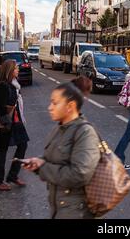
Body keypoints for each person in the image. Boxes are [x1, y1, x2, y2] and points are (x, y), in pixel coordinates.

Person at [23, 77, 100, 219]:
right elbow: (57, 158)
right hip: (59, 208)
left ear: (70, 106)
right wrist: (38, 161)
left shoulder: (85, 133)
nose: (50, 107)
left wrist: (43, 168)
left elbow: (80, 174)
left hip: (77, 212)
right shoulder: (60, 128)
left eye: (55, 103)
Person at [0, 59, 29, 191]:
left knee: (22, 144)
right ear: (10, 70)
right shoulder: (3, 86)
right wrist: (5, 123)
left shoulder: (14, 84)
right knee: (2, 150)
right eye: (16, 68)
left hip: (15, 120)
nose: (18, 70)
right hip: (6, 122)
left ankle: (13, 175)